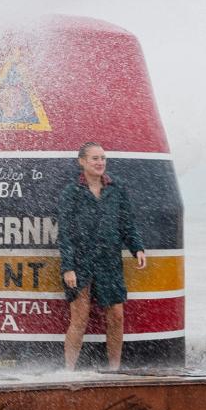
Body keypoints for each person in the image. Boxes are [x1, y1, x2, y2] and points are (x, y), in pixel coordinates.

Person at [58, 142, 147, 371]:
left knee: (117, 316)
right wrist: (68, 267)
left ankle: (114, 369)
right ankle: (68, 372)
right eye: (95, 158)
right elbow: (65, 233)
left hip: (110, 262)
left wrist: (137, 248)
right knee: (79, 319)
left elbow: (127, 224)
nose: (100, 162)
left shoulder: (116, 189)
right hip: (80, 263)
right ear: (82, 162)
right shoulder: (71, 192)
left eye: (103, 158)